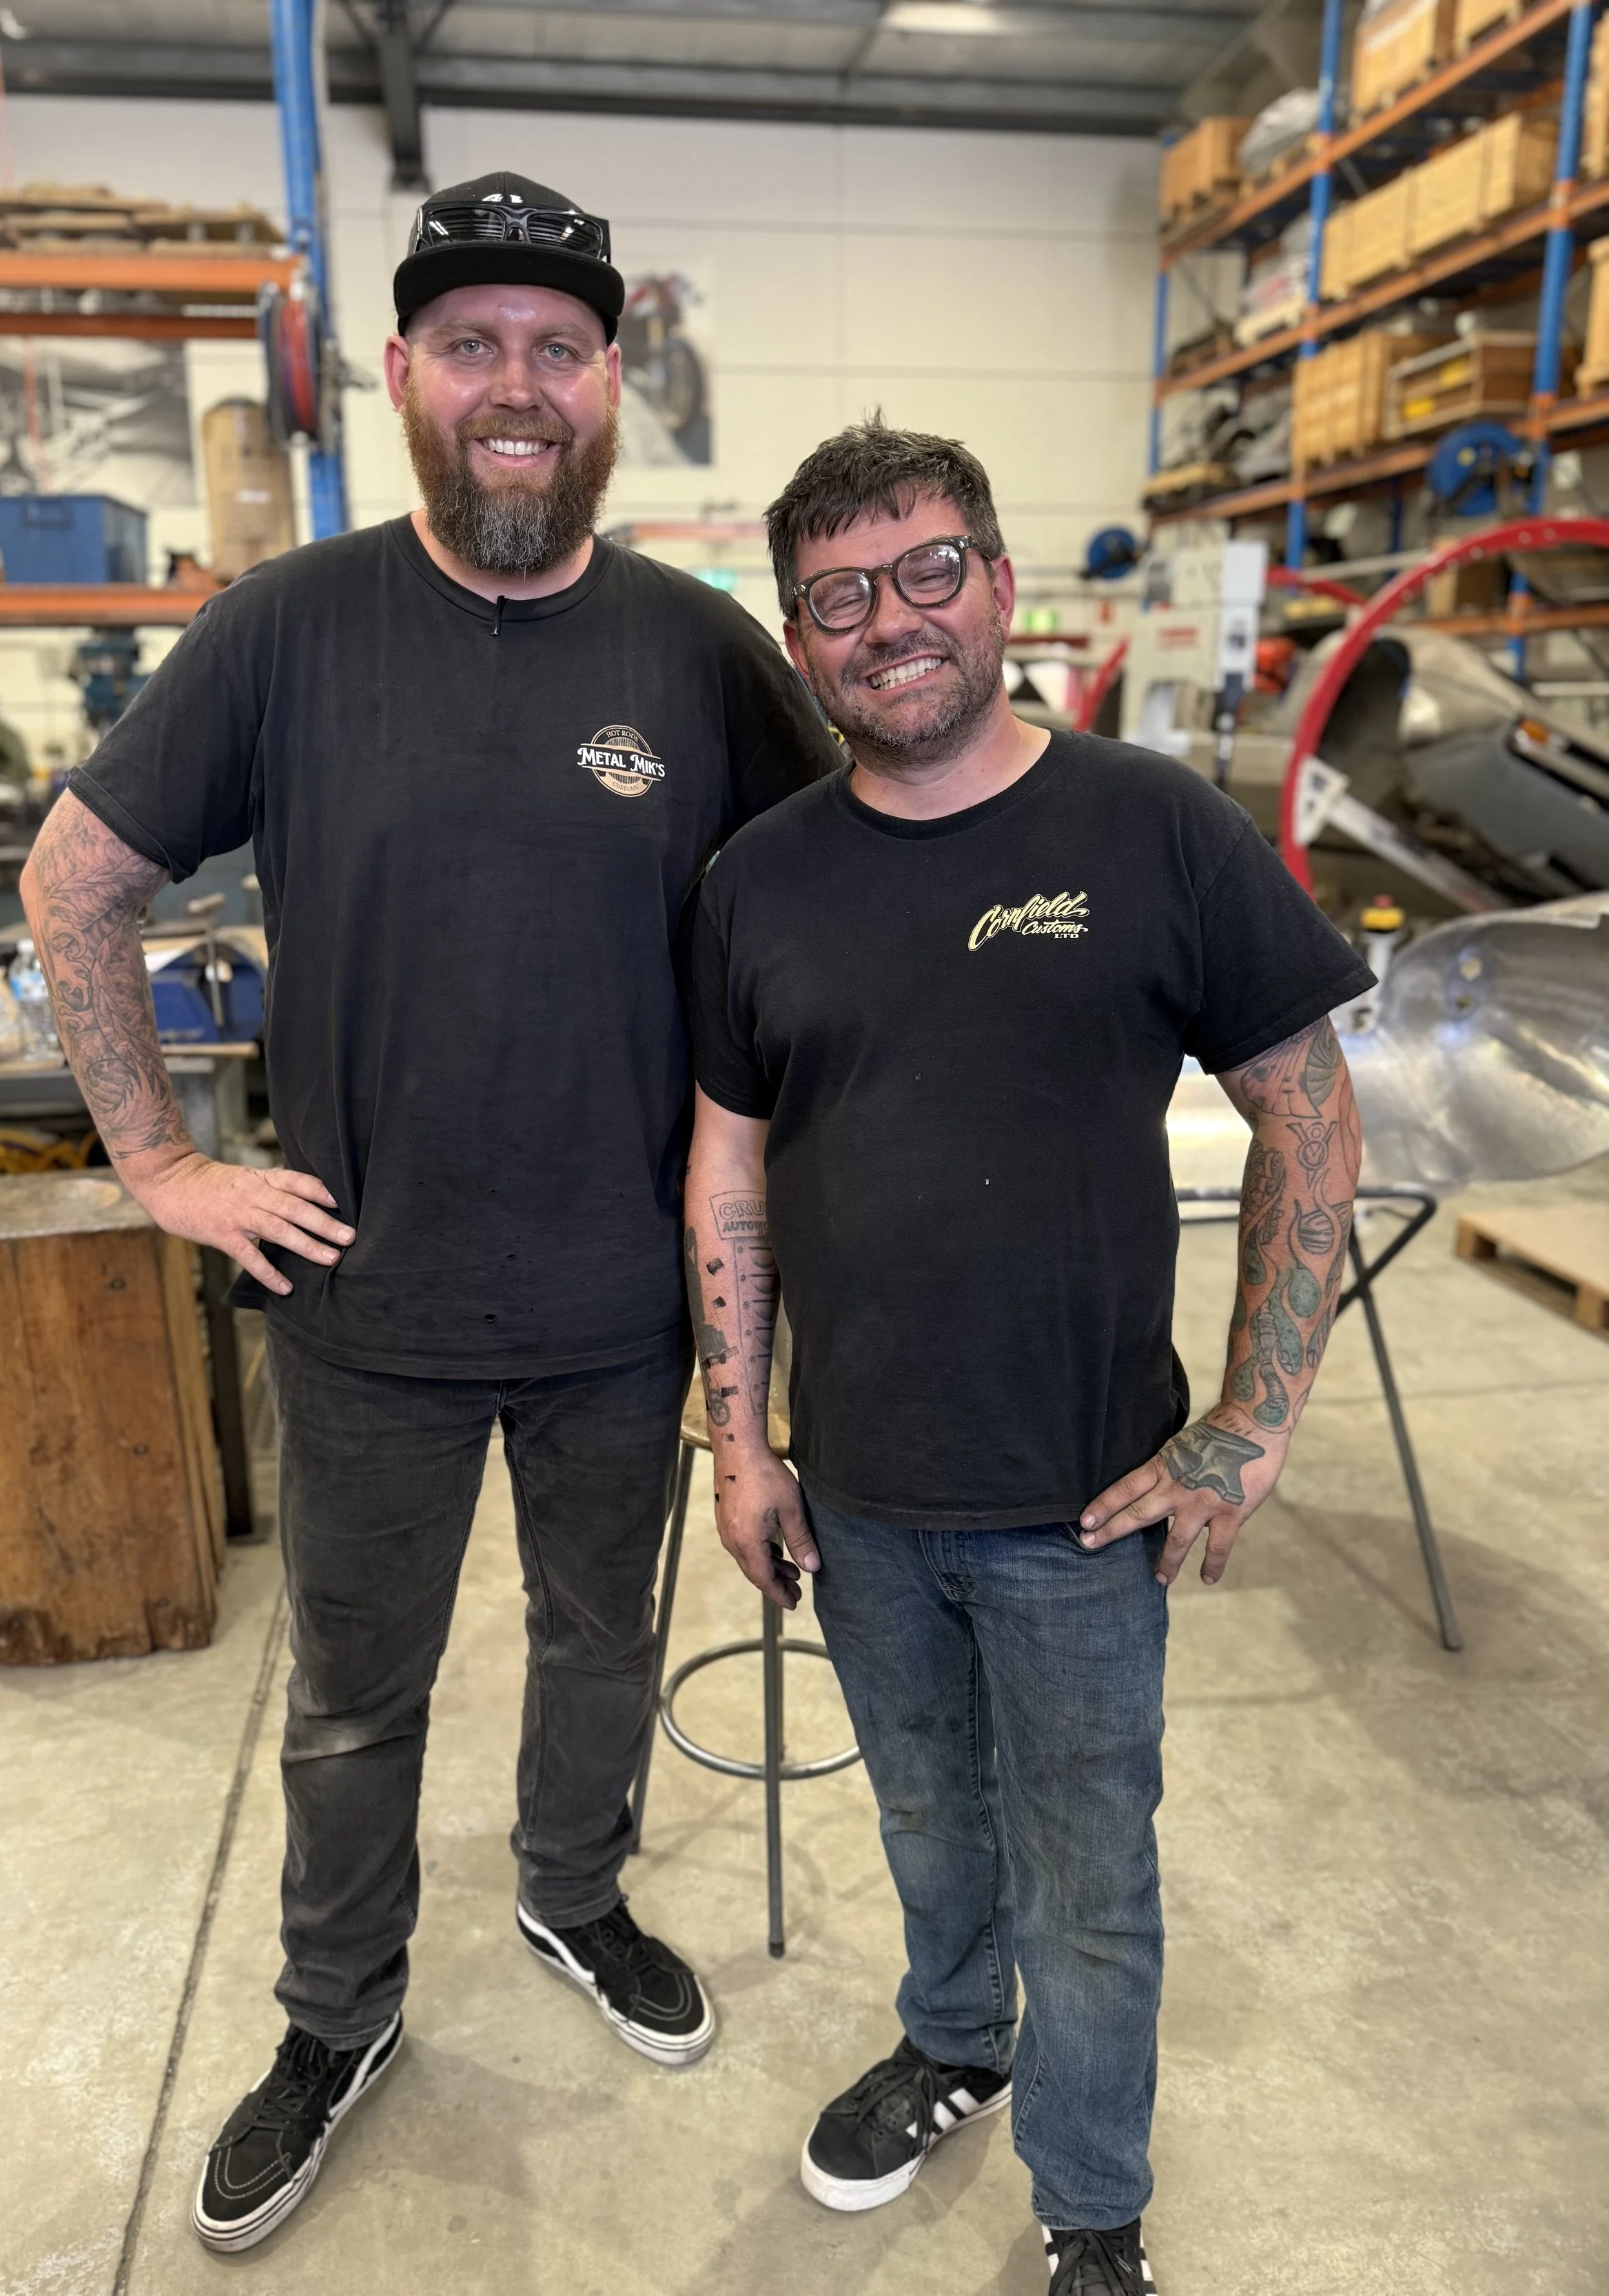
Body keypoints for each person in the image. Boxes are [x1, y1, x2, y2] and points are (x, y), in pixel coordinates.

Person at [20, 171, 839, 2255]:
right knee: (352, 1698)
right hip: (358, 1303)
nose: (515, 384)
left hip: (618, 1307)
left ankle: (574, 1896)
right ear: (397, 375)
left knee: (599, 1636)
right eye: (471, 343)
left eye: (556, 349)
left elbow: (834, 919)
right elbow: (74, 881)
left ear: (606, 388)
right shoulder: (282, 631)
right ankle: (336, 2016)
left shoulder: (703, 653)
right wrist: (162, 1165)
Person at [683, 420, 1373, 2295]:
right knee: (920, 1810)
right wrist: (742, 1447)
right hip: (859, 1494)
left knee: (1092, 1875)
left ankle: (1089, 2204)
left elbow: (1313, 1116)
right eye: (838, 597)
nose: (887, 623)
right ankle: (948, 2039)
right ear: (800, 635)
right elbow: (726, 1167)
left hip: (1079, 1504)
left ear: (996, 587)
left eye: (924, 574)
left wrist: (1246, 1426)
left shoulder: (1151, 830)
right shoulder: (757, 879)